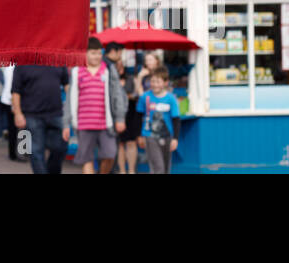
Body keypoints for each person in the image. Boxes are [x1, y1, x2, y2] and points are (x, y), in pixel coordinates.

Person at [63, 37, 126, 174]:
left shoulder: (108, 70)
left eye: (99, 53)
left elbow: (117, 95)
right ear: (85, 54)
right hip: (83, 123)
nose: (97, 56)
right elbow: (69, 99)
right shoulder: (76, 72)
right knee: (87, 159)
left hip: (105, 123)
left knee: (110, 154)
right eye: (93, 53)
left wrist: (120, 118)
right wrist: (66, 124)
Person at [10, 63, 70, 174]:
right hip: (32, 115)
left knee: (60, 148)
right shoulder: (22, 64)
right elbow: (15, 91)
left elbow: (67, 85)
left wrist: (73, 108)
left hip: (56, 114)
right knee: (36, 152)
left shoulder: (58, 61)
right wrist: (18, 114)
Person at [136, 67, 180, 174]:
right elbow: (138, 117)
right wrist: (139, 135)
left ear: (165, 82)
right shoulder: (145, 97)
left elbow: (176, 119)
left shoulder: (171, 99)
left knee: (166, 168)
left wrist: (175, 138)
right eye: (152, 81)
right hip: (150, 136)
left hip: (167, 136)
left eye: (158, 81)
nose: (155, 84)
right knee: (158, 167)